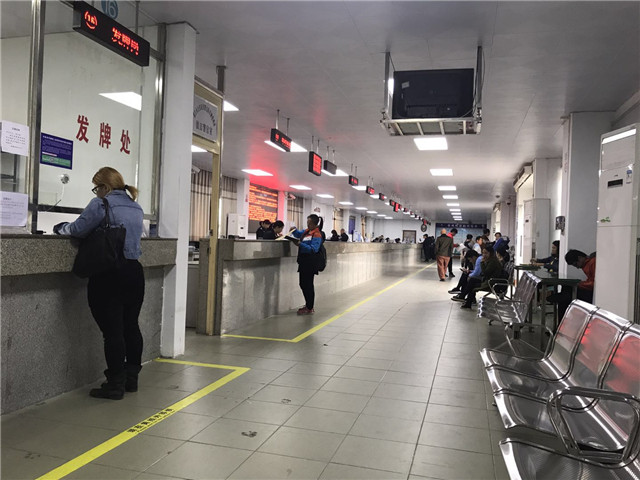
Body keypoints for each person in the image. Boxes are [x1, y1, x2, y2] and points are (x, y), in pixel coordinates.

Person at [53, 167, 145, 400]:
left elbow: (77, 230)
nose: (96, 192)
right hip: (134, 272)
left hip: (109, 274)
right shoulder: (135, 206)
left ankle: (115, 384)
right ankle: (131, 378)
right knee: (131, 326)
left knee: (113, 332)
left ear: (104, 187)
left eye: (96, 188)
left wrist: (60, 228)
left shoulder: (101, 204)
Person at [290, 214, 324, 315]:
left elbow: (314, 249)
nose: (308, 225)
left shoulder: (317, 234)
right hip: (303, 262)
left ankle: (309, 307)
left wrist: (300, 244)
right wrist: (294, 230)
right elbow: (298, 234)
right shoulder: (307, 231)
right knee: (303, 284)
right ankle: (308, 305)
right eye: (307, 223)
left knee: (308, 284)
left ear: (315, 224)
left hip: (311, 262)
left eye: (309, 223)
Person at [460, 245, 503, 309]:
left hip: (491, 282)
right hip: (489, 280)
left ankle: (463, 297)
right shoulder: (491, 260)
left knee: (472, 282)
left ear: (491, 253)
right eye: (483, 253)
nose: (484, 255)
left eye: (486, 253)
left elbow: (485, 273)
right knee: (472, 281)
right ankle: (465, 299)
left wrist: (482, 263)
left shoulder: (493, 262)